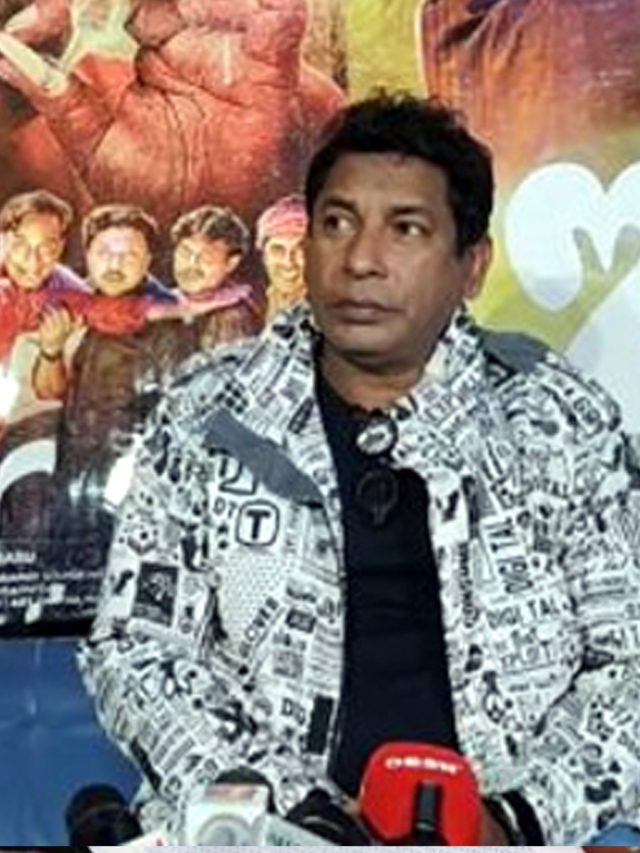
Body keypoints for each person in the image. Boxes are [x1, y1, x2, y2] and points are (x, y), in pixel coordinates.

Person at [79, 93, 640, 845]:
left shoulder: (557, 419)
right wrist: (288, 809)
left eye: (405, 228)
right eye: (337, 223)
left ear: (472, 265)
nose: (361, 259)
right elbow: (136, 650)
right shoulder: (210, 413)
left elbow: (630, 664)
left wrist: (515, 819)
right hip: (264, 832)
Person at [166, 204, 261, 363]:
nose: (191, 264)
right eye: (185, 253)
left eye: (206, 257)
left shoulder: (232, 319)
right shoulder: (164, 303)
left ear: (231, 263)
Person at [256, 194, 307, 320]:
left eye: (301, 250)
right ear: (264, 256)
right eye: (278, 250)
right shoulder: (259, 305)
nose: (288, 262)